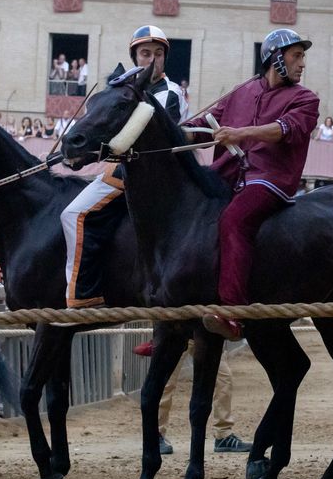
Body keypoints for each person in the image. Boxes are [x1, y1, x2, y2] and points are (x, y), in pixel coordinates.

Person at [190, 28, 319, 340]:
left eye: (302, 57)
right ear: (276, 58)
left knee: (234, 219)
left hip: (269, 180)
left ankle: (232, 313)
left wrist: (240, 133)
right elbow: (203, 126)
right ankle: (177, 322)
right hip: (226, 177)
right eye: (297, 56)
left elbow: (283, 130)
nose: (302, 64)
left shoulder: (306, 99)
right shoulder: (240, 92)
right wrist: (176, 132)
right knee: (190, 223)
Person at [60, 25, 185, 309]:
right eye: (145, 54)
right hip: (122, 171)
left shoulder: (169, 93)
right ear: (134, 58)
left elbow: (142, 136)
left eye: (158, 53)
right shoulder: (124, 89)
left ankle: (82, 294)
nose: (151, 59)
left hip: (145, 176)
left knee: (74, 214)